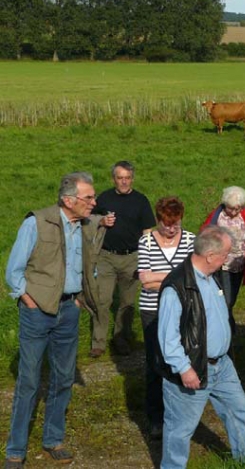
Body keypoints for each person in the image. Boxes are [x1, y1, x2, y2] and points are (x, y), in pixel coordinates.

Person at [5, 172, 112, 468]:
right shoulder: (36, 222)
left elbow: (88, 264)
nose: (94, 202)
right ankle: (15, 450)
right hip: (37, 312)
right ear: (69, 200)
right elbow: (14, 270)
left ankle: (53, 439)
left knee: (63, 378)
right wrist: (28, 300)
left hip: (68, 311)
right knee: (28, 381)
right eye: (88, 197)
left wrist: (78, 299)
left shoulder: (87, 225)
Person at [157, 226, 245, 469]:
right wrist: (184, 369)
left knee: (239, 410)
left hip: (222, 365)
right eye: (225, 254)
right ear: (211, 256)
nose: (228, 259)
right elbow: (167, 337)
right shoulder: (177, 287)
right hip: (194, 367)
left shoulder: (210, 276)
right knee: (180, 429)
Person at [137, 196, 195, 440]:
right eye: (166, 224)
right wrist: (176, 277)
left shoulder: (191, 240)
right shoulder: (146, 241)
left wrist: (161, 277)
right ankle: (156, 417)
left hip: (184, 309)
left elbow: (193, 275)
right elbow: (145, 280)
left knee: (182, 359)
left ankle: (181, 414)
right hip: (153, 310)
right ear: (158, 220)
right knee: (155, 362)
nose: (171, 229)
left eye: (176, 224)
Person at [92, 161, 155, 358]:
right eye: (120, 178)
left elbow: (147, 231)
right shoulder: (104, 199)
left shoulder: (141, 201)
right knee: (102, 300)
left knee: (127, 302)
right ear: (114, 179)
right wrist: (101, 221)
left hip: (132, 257)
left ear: (132, 179)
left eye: (127, 178)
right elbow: (89, 222)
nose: (124, 182)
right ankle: (98, 343)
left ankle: (121, 338)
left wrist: (147, 257)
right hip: (106, 256)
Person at [201, 186, 245, 353]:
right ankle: (226, 335)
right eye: (230, 208)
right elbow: (204, 233)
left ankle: (226, 331)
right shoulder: (217, 215)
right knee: (226, 301)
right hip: (222, 265)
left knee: (231, 299)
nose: (234, 212)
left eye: (237, 208)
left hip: (240, 265)